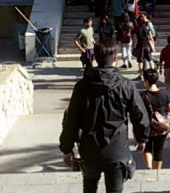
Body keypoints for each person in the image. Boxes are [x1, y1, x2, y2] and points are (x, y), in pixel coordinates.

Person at [60, 39, 149, 193]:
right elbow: (139, 114)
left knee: (89, 188)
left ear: (95, 57)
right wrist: (142, 138)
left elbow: (72, 119)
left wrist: (67, 148)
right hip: (117, 150)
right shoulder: (125, 85)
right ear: (115, 58)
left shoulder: (82, 87)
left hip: (89, 149)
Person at [141, 69, 170, 170]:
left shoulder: (143, 96)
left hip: (147, 127)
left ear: (146, 81)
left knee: (147, 148)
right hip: (162, 128)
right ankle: (158, 171)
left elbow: (139, 112)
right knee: (158, 151)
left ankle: (149, 167)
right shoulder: (164, 94)